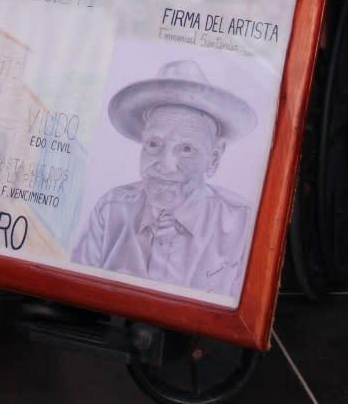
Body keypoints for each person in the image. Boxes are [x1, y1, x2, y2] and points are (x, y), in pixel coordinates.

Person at [71, 59, 256, 297]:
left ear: (213, 158)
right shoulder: (111, 209)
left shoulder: (242, 226)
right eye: (153, 144)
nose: (166, 166)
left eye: (186, 149)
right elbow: (79, 294)